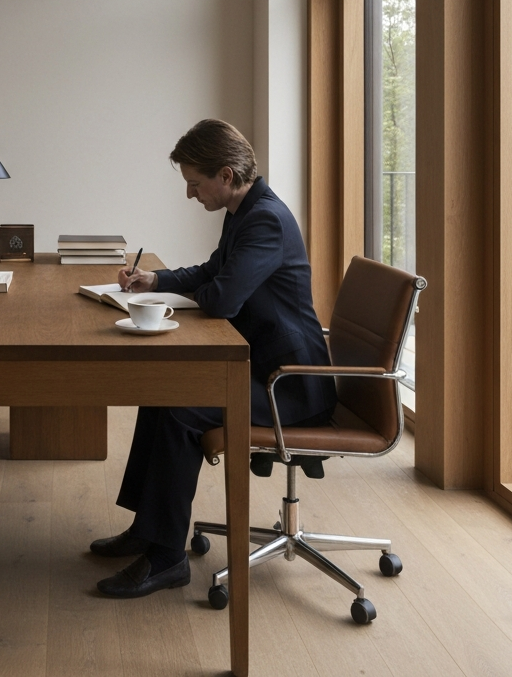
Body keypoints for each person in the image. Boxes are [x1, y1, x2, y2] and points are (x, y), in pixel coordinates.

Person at [93, 119, 336, 598]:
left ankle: (166, 560)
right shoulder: (245, 211)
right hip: (265, 366)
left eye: (194, 184)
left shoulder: (265, 219)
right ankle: (150, 531)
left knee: (182, 406)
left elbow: (222, 299)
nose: (190, 195)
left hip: (288, 384)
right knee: (162, 388)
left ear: (225, 175)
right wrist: (155, 282)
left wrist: (200, 291)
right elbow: (214, 272)